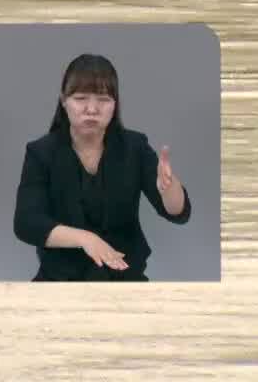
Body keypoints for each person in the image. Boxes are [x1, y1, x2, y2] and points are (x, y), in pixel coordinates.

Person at [12, 53, 191, 280]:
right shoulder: (41, 152)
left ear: (115, 104)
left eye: (104, 99)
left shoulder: (135, 147)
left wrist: (169, 187)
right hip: (58, 280)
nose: (92, 109)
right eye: (80, 98)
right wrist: (86, 239)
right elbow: (26, 222)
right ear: (63, 101)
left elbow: (176, 212)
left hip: (125, 277)